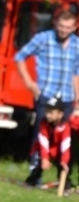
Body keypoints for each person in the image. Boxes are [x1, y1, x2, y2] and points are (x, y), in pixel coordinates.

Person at [15, 9, 79, 157]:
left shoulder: (77, 45)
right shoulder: (43, 38)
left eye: (68, 27)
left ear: (74, 27)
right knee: (41, 134)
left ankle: (63, 174)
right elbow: (19, 57)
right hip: (46, 93)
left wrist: (78, 97)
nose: (64, 30)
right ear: (56, 24)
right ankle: (35, 171)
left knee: (65, 136)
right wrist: (29, 83)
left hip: (67, 96)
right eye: (61, 26)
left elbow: (76, 72)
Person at [24, 96, 73, 191]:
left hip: (59, 149)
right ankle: (31, 181)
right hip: (46, 149)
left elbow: (65, 145)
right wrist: (45, 158)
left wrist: (64, 160)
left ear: (60, 114)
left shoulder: (65, 125)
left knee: (63, 166)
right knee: (39, 165)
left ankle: (65, 185)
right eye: (47, 111)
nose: (47, 115)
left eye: (51, 112)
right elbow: (43, 141)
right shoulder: (44, 123)